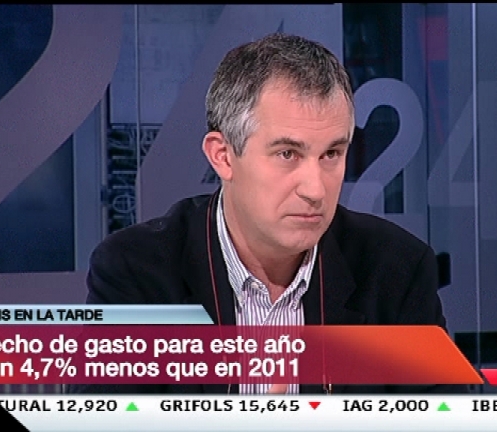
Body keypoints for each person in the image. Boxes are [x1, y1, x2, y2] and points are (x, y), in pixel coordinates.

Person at [67, 33, 468, 395]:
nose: (315, 189)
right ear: (223, 156)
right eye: (287, 154)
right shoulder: (138, 272)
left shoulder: (394, 269)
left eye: (331, 153)